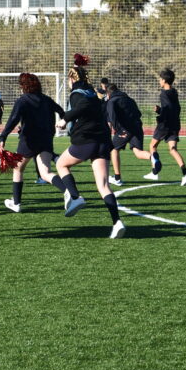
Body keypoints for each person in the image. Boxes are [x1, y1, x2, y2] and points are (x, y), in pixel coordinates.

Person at [54, 58, 127, 239]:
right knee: (103, 186)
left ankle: (75, 197)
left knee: (61, 164)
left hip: (87, 139)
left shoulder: (77, 94)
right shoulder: (93, 93)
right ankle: (117, 222)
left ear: (72, 79)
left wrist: (65, 119)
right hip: (103, 141)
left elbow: (83, 107)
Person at [0, 72, 66, 214]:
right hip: (46, 139)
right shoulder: (46, 99)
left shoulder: (23, 100)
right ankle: (70, 193)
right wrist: (63, 121)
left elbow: (13, 120)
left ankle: (16, 203)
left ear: (23, 86)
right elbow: (61, 111)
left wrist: (3, 137)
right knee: (45, 172)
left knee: (17, 169)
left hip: (29, 140)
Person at [145, 68, 186, 186]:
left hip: (165, 124)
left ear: (164, 80)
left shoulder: (164, 93)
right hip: (175, 124)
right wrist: (160, 110)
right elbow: (175, 108)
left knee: (152, 146)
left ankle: (155, 171)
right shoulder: (174, 92)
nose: (159, 81)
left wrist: (160, 115)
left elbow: (168, 109)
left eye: (160, 79)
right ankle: (185, 172)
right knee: (173, 149)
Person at [104, 82, 152, 187]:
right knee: (138, 152)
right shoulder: (129, 99)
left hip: (125, 130)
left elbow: (112, 117)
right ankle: (153, 157)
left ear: (108, 93)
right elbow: (139, 113)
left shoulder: (111, 101)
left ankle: (117, 178)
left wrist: (118, 130)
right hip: (137, 127)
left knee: (113, 149)